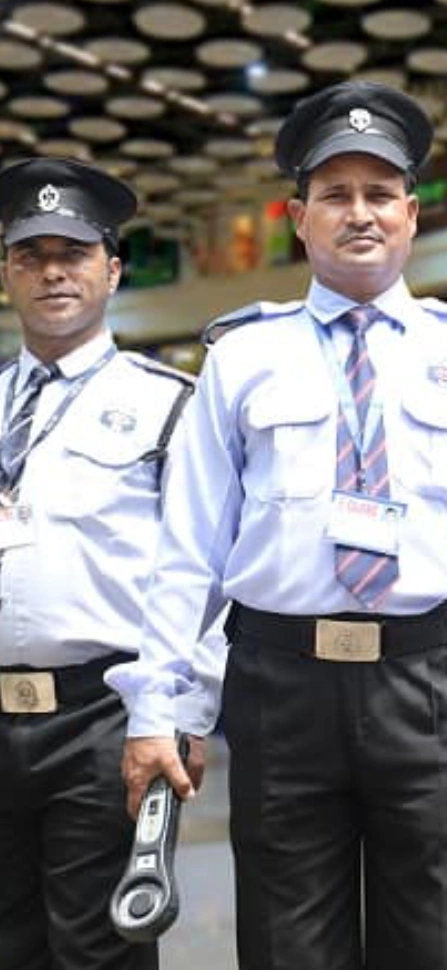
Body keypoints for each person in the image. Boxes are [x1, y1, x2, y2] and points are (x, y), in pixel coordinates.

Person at [107, 80, 447, 970]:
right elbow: (190, 550)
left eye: (379, 194)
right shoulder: (242, 356)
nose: (359, 213)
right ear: (299, 218)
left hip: (428, 685)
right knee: (287, 948)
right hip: (279, 689)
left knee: (436, 947)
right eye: (334, 194)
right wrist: (162, 709)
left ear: (411, 214)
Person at [0, 157, 225, 970]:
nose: (53, 272)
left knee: (98, 951)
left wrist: (182, 711)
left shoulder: (168, 404)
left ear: (114, 270)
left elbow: (208, 576)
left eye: (74, 253)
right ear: (6, 274)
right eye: (31, 256)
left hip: (104, 718)